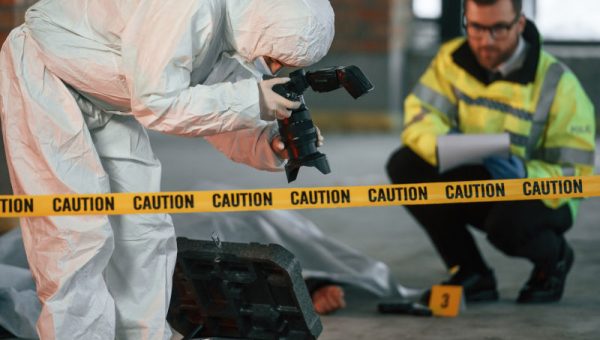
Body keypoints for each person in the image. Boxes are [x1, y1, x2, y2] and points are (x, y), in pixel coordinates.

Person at [0, 0, 334, 338]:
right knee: (75, 236)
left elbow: (214, 100)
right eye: (276, 59)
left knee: (143, 229)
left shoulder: (232, 28)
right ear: (264, 23)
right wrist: (254, 100)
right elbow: (159, 104)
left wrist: (269, 140)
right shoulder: (187, 7)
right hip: (46, 75)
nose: (273, 70)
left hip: (104, 94)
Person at [386, 0, 595, 304]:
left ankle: (554, 260)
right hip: (482, 175)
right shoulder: (451, 60)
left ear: (520, 24)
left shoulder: (559, 85)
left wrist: (525, 175)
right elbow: (420, 117)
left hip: (541, 194)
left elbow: (576, 173)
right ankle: (472, 273)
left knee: (507, 226)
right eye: (476, 27)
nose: (486, 40)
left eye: (498, 28)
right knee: (406, 165)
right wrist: (447, 145)